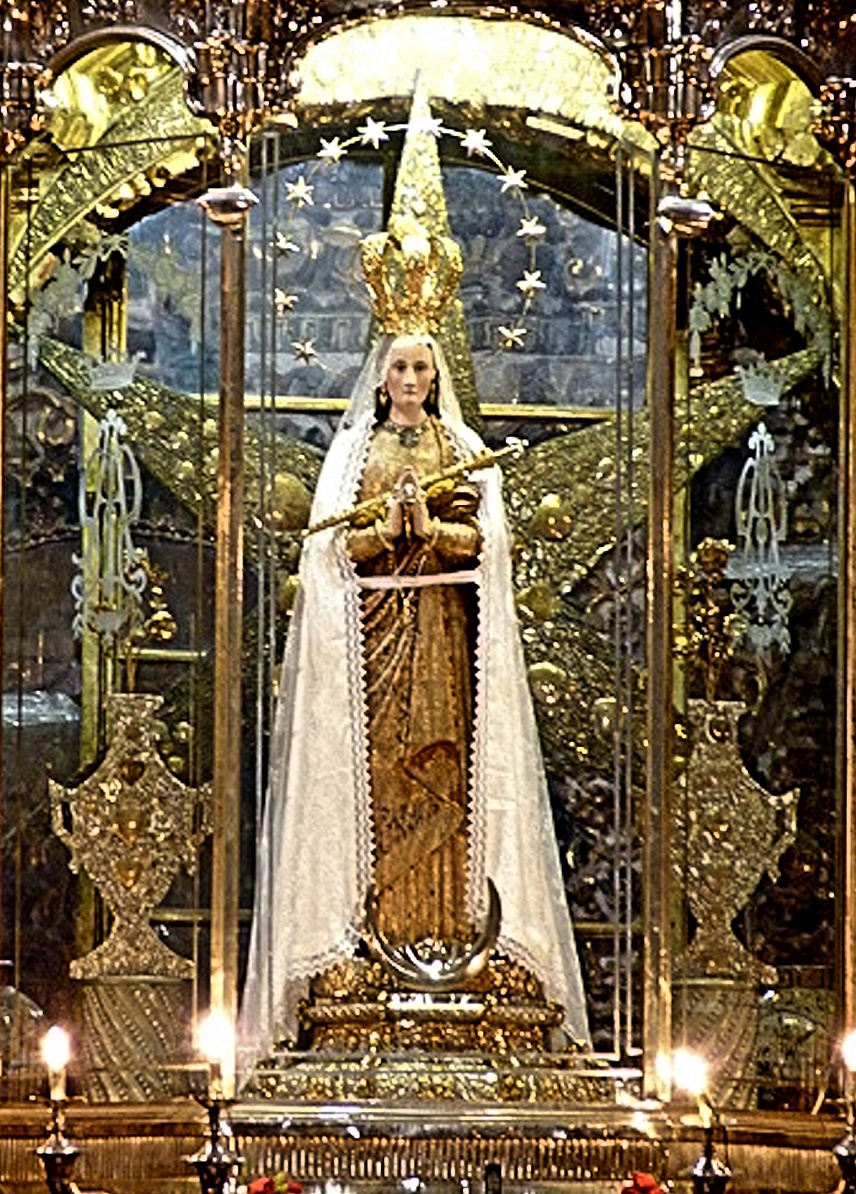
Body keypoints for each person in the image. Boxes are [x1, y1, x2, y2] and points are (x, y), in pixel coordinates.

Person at [238, 326, 590, 1074]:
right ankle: (370, 934)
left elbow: (484, 543)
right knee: (380, 775)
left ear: (435, 376)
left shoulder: (459, 446)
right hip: (372, 639)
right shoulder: (352, 453)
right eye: (398, 365)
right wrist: (382, 533)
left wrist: (432, 529)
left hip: (441, 630)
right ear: (380, 376)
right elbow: (329, 553)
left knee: (445, 769)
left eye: (420, 367)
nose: (408, 378)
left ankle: (453, 932)